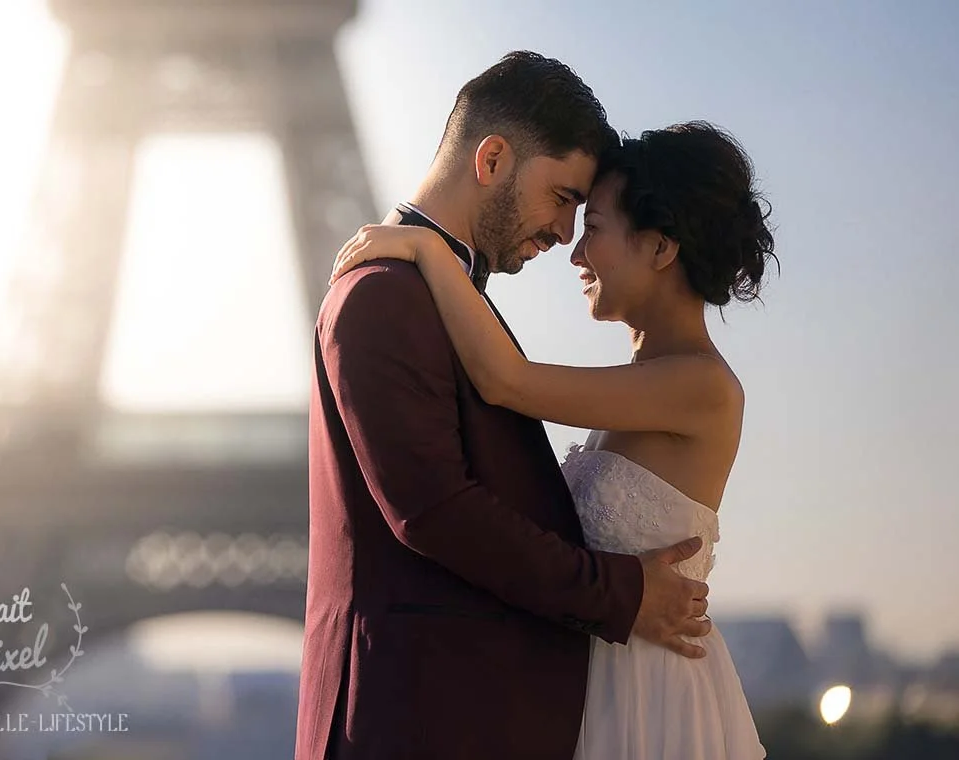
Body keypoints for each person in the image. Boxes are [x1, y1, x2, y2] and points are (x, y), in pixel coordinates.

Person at [296, 51, 712, 760]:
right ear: (491, 159)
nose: (564, 235)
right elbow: (434, 510)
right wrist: (615, 593)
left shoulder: (436, 294)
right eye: (561, 198)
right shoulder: (384, 296)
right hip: (415, 725)